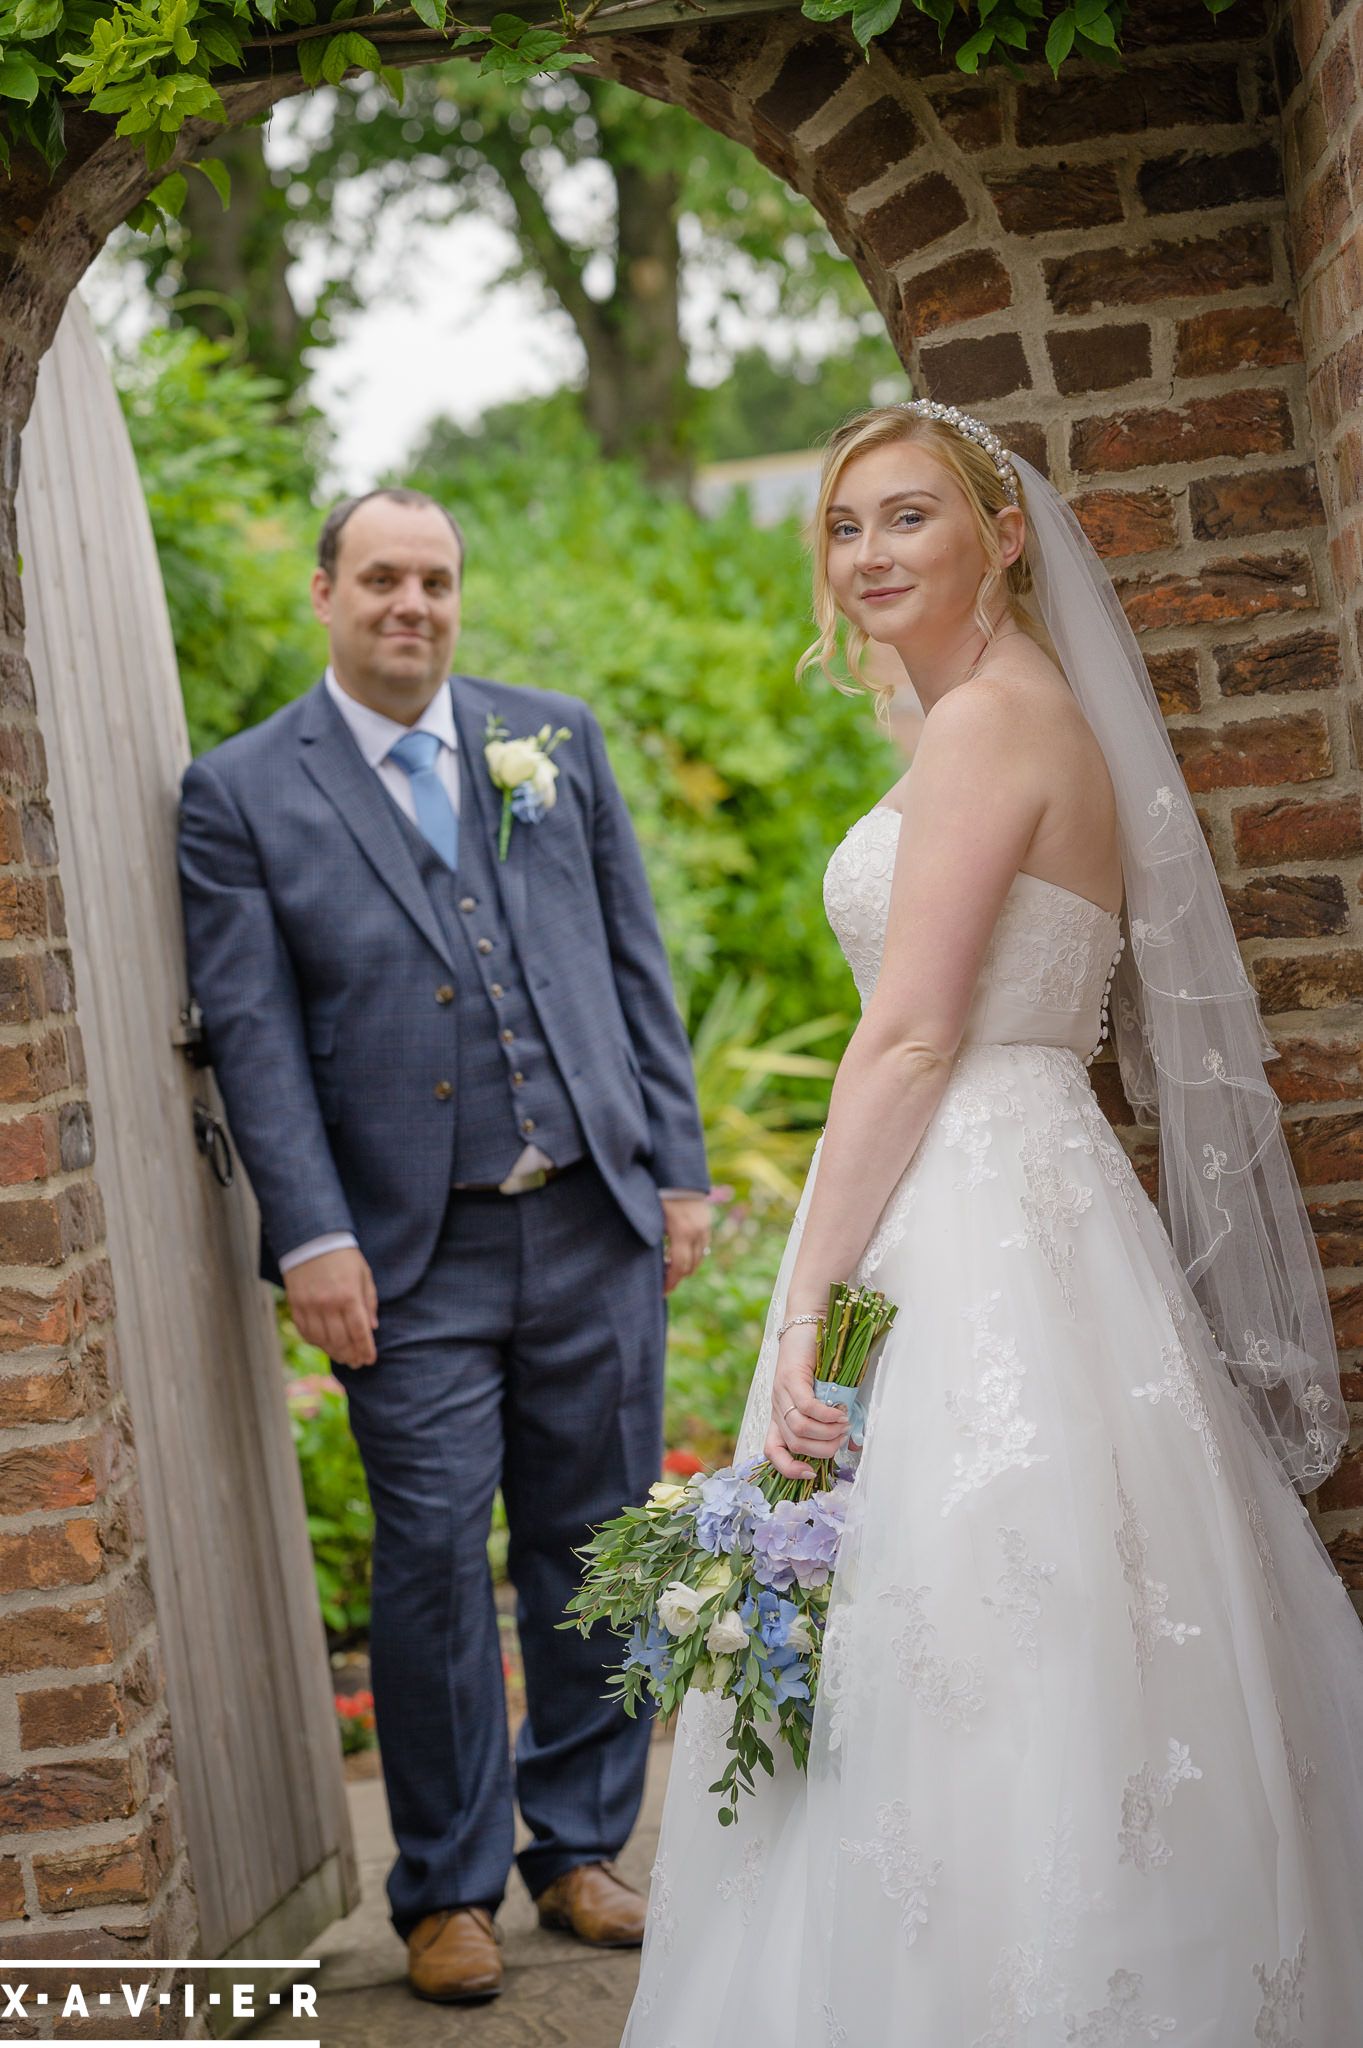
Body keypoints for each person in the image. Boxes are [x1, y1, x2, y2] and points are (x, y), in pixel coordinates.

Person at [622, 404, 1363, 2045]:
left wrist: (805, 1297)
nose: (869, 555)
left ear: (1003, 536)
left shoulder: (984, 731)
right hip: (1038, 1193)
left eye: (908, 519)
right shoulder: (1025, 717)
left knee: (975, 1632)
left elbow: (909, 1039)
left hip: (967, 1196)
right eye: (843, 527)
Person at [177, 487, 711, 2005]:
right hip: (410, 1256)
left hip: (593, 1221)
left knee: (600, 1543)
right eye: (383, 579)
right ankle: (448, 1888)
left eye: (437, 580)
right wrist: (312, 1237)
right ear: (326, 591)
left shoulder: (552, 738)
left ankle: (584, 1849)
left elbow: (633, 960)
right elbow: (256, 1038)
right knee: (424, 1564)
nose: (412, 604)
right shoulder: (238, 793)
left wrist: (675, 1170)